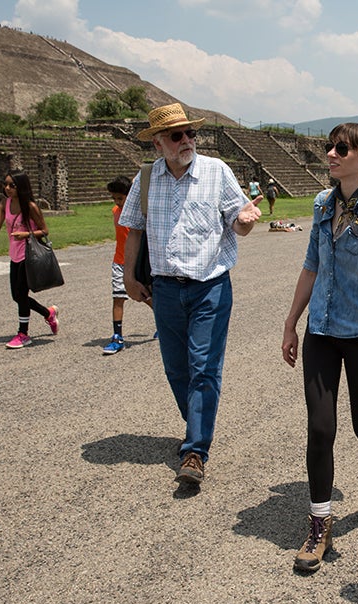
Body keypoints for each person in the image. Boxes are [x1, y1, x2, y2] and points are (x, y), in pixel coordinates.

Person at [282, 121, 358, 574]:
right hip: (322, 333)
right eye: (329, 147)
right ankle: (319, 524)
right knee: (320, 428)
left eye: (340, 148)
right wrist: (292, 322)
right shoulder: (321, 204)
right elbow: (311, 267)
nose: (330, 154)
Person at [119, 103, 262, 487]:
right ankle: (199, 421)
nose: (187, 141)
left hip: (209, 287)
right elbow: (133, 229)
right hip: (164, 290)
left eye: (190, 134)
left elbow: (238, 221)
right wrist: (129, 278)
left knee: (203, 367)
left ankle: (196, 449)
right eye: (177, 135)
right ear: (158, 144)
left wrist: (245, 222)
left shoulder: (217, 172)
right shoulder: (146, 179)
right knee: (176, 369)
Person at [0, 170, 60, 349]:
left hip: (29, 255)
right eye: (6, 184)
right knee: (17, 296)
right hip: (15, 255)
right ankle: (48, 313)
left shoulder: (31, 206)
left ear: (21, 187)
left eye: (12, 185)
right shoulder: (5, 203)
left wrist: (26, 234)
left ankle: (23, 334)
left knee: (20, 295)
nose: (7, 188)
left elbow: (45, 231)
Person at [102, 175, 154, 355]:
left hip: (137, 261)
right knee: (118, 297)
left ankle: (165, 323)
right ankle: (117, 336)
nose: (117, 202)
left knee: (145, 296)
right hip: (119, 261)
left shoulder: (139, 211)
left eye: (120, 198)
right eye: (114, 198)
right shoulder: (115, 211)